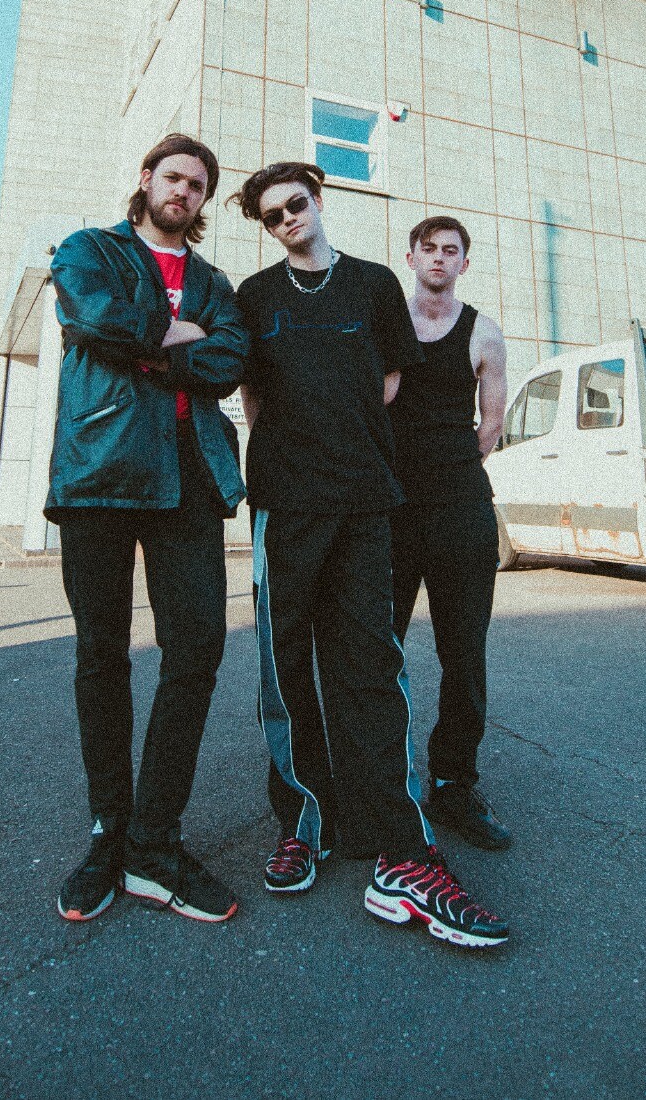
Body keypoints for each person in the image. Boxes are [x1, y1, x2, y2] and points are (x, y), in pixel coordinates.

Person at [231, 162, 509, 950]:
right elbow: (252, 397)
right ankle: (304, 822)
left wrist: (340, 430)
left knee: (371, 667)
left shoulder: (374, 285)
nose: (288, 218)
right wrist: (298, 440)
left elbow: (388, 381)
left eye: (296, 203)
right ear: (265, 226)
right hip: (287, 502)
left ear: (317, 202)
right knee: (287, 666)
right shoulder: (256, 296)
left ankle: (401, 852)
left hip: (363, 498)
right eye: (272, 214)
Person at [47, 134, 250, 926]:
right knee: (101, 654)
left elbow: (230, 360)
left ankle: (153, 842)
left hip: (189, 479)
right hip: (101, 470)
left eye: (197, 184)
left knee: (196, 650)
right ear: (146, 180)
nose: (184, 191)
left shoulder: (212, 281)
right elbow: (95, 317)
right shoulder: (89, 250)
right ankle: (109, 831)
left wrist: (161, 345)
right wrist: (180, 335)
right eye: (174, 177)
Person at [388, 216, 513, 851]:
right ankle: (383, 782)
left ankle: (454, 784)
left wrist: (450, 468)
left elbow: (491, 422)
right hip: (391, 508)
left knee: (462, 652)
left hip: (460, 508)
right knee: (377, 647)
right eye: (429, 249)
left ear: (464, 263)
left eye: (451, 251)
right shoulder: (388, 322)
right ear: (411, 257)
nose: (439, 258)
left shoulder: (483, 331)